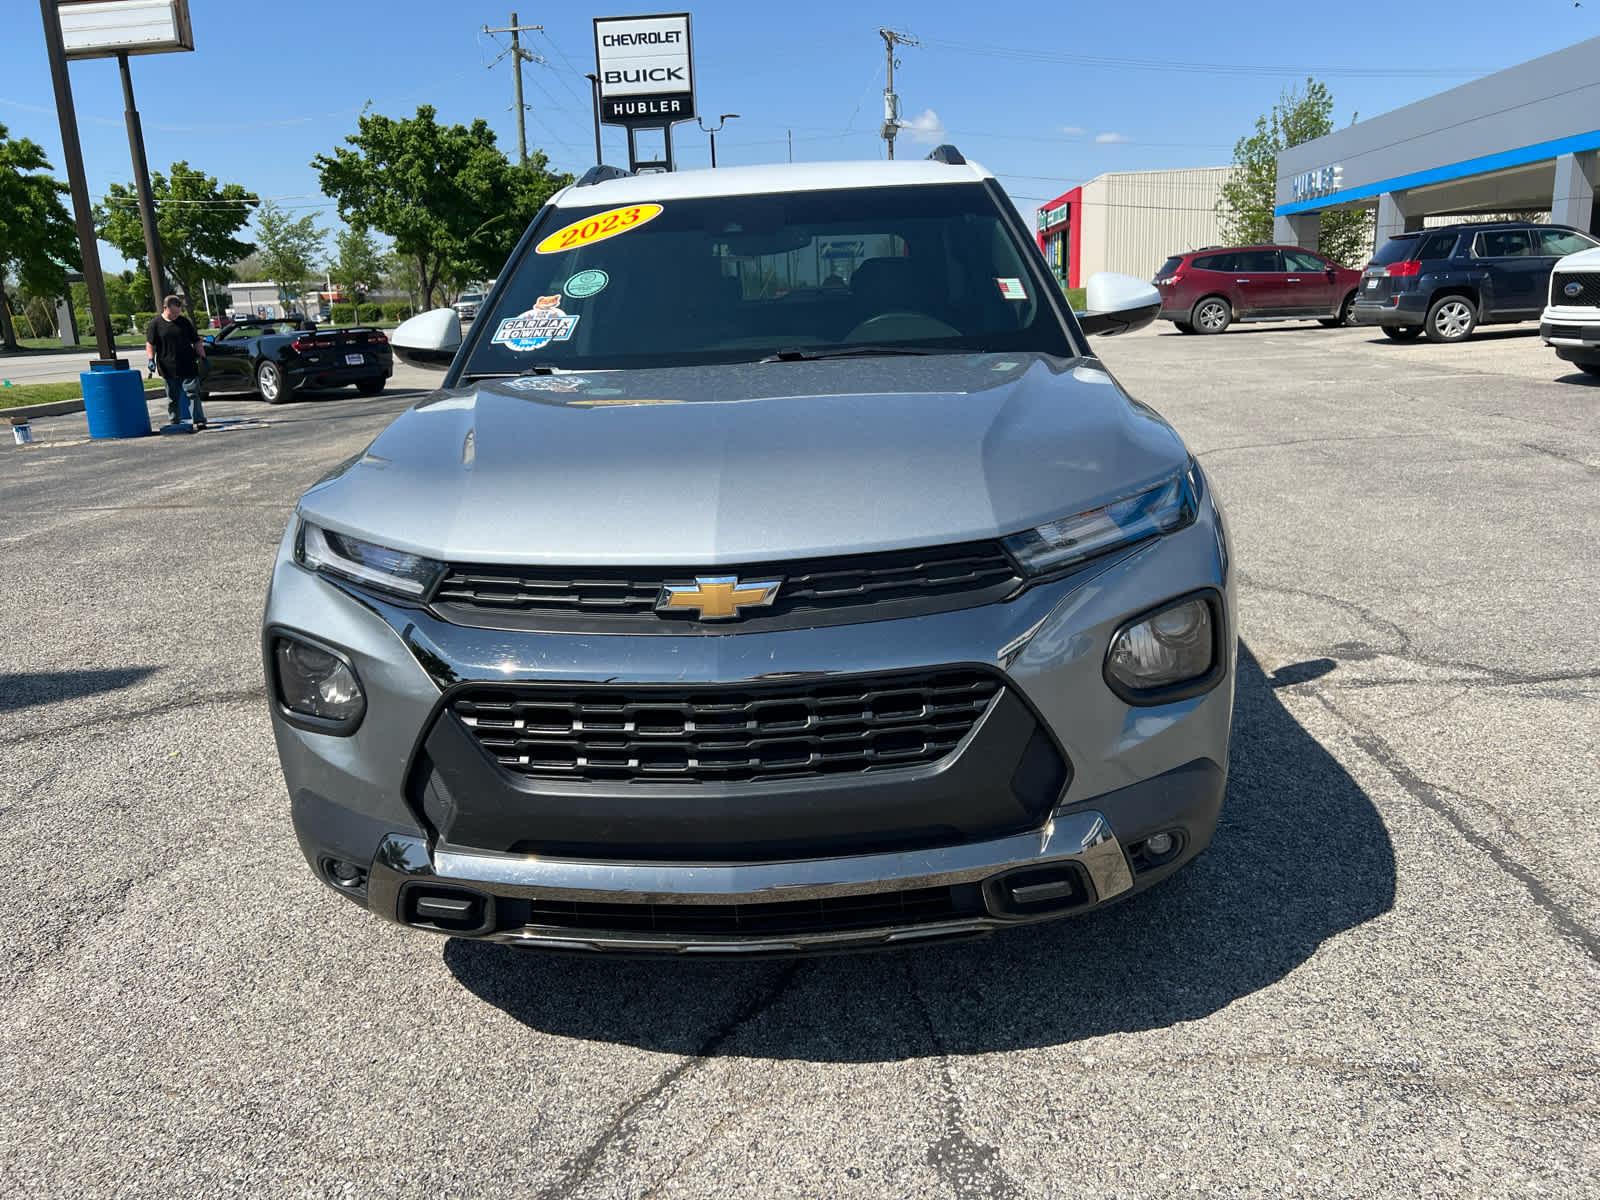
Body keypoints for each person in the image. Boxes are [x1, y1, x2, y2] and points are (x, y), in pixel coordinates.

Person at [144, 294, 208, 429]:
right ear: (165, 308)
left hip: (188, 364)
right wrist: (151, 359)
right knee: (173, 396)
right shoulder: (155, 324)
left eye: (178, 312)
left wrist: (203, 357)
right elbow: (151, 344)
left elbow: (196, 341)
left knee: (193, 393)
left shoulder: (184, 322)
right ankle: (174, 420)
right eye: (173, 313)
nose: (175, 315)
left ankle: (199, 420)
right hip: (167, 366)